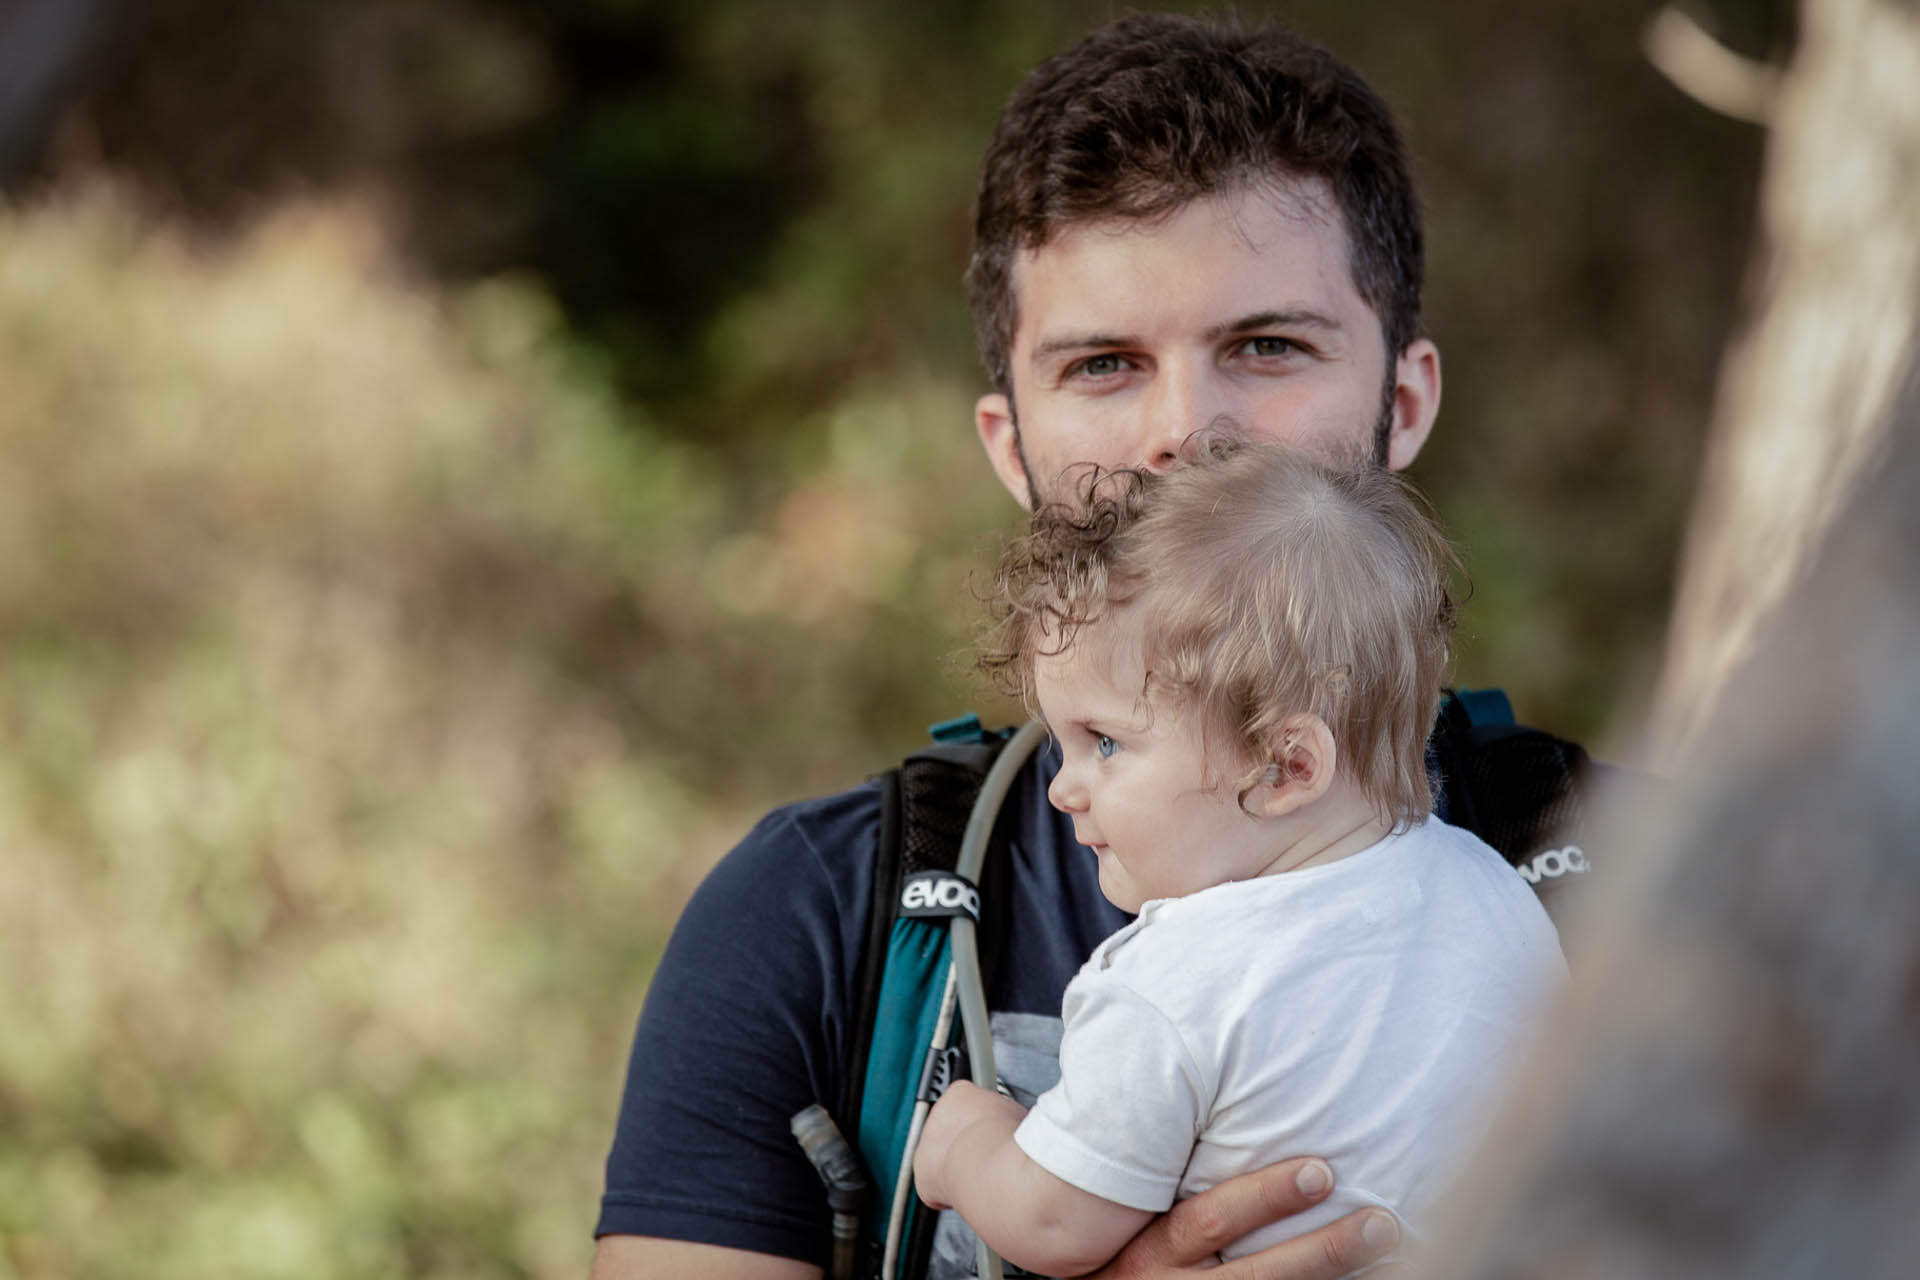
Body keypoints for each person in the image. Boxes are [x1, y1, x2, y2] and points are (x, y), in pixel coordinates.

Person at [593, 12, 1563, 1279]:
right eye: (1104, 364)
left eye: (1267, 346)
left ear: (1407, 399)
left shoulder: (1671, 885)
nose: (1187, 432)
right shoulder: (815, 917)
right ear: (1010, 443)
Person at [909, 445, 1567, 1277]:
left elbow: (1052, 1222)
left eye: (1106, 742)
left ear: (1287, 766)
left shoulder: (1176, 978)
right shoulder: (1497, 893)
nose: (1063, 788)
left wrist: (966, 1143)